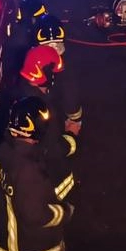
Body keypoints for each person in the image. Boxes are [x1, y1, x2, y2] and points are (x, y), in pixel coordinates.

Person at [0, 95, 73, 251]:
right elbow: (35, 215)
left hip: (4, 245)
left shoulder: (0, 152)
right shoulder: (27, 168)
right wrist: (65, 211)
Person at [14, 40, 79, 203]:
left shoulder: (22, 94)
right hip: (45, 189)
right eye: (55, 73)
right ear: (47, 73)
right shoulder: (41, 111)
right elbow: (53, 150)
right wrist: (72, 135)